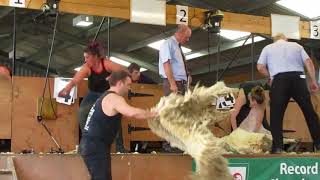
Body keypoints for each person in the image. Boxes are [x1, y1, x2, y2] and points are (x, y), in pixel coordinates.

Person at [79, 70, 158, 180]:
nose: (129, 88)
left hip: (92, 145)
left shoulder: (106, 96)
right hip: (95, 146)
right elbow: (132, 113)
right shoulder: (114, 98)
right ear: (120, 83)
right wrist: (154, 114)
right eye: (128, 85)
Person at [257, 33, 320, 153]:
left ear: (274, 40)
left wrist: (270, 76)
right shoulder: (296, 46)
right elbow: (309, 63)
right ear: (286, 39)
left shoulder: (268, 48)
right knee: (310, 113)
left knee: (276, 116)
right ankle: (319, 144)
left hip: (279, 80)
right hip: (299, 79)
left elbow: (260, 67)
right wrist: (313, 81)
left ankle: (278, 148)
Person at [58, 41, 124, 133]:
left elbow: (123, 70)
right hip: (93, 94)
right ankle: (87, 138)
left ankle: (119, 146)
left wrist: (113, 76)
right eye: (85, 57)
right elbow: (75, 80)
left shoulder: (106, 64)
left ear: (95, 57)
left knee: (115, 114)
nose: (85, 60)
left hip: (108, 94)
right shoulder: (86, 67)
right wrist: (67, 89)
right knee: (82, 111)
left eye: (87, 57)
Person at [159, 24, 192, 96]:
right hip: (174, 84)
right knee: (174, 107)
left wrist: (187, 76)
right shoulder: (168, 44)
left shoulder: (177, 46)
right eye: (186, 37)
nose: (187, 39)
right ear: (179, 33)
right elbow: (166, 64)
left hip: (181, 84)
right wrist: (172, 84)